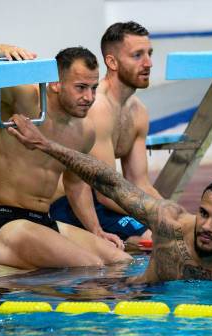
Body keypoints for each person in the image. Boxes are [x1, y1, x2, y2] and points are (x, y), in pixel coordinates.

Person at [7, 115, 212, 282]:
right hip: (139, 303)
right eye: (204, 213)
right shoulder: (171, 224)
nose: (206, 226)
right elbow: (111, 182)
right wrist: (45, 145)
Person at [0, 44, 131, 269]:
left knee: (121, 261)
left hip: (44, 221)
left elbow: (76, 185)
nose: (89, 97)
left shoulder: (84, 131)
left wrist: (96, 230)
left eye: (93, 88)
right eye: (80, 88)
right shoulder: (24, 99)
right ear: (56, 83)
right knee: (91, 266)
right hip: (4, 223)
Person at [50, 21, 160, 249]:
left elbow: (140, 182)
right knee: (154, 239)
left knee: (179, 230)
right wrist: (160, 215)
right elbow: (106, 193)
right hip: (70, 204)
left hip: (107, 200)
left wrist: (174, 213)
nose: (148, 63)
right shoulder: (97, 106)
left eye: (149, 54)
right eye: (137, 55)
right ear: (112, 61)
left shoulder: (138, 111)